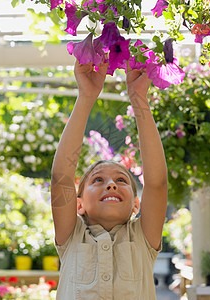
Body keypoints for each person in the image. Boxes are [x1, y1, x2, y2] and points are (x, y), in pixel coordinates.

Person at [51, 59, 168, 299]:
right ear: (79, 204)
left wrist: (139, 99)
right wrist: (86, 97)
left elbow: (156, 184)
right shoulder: (71, 236)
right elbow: (61, 180)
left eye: (122, 180)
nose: (111, 184)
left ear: (137, 204)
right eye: (97, 180)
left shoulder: (143, 238)